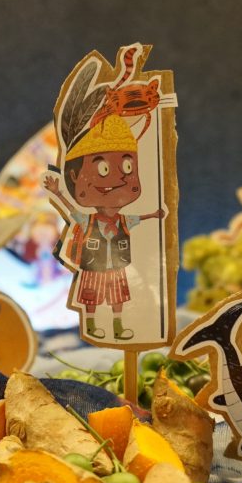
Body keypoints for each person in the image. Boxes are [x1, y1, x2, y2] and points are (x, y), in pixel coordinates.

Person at [43, 114, 164, 340]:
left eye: (128, 167)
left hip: (117, 267)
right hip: (92, 268)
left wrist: (155, 215)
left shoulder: (123, 220)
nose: (118, 179)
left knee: (118, 298)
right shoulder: (88, 221)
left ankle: (118, 327)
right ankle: (91, 326)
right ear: (74, 177)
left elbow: (139, 217)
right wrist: (58, 192)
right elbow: (71, 210)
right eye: (103, 169)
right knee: (91, 297)